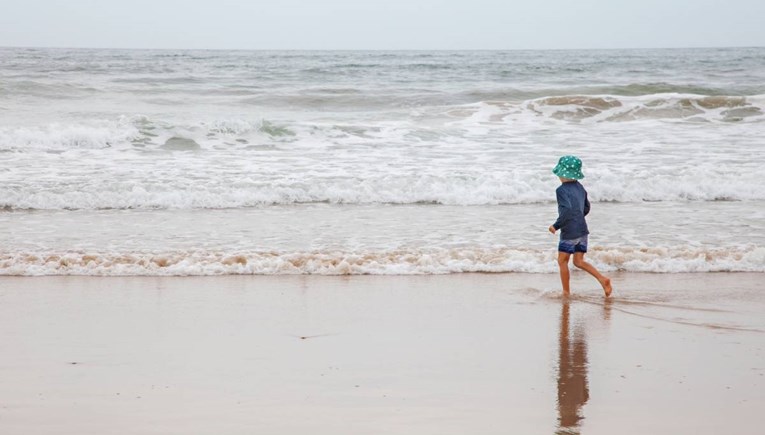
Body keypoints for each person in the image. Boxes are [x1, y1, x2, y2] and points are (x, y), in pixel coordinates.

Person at [548, 155, 612, 297]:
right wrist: (578, 219)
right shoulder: (580, 187)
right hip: (582, 230)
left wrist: (556, 226)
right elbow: (586, 207)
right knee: (578, 261)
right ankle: (603, 279)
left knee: (562, 261)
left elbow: (566, 211)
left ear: (562, 173)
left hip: (569, 232)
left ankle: (566, 292)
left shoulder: (561, 190)